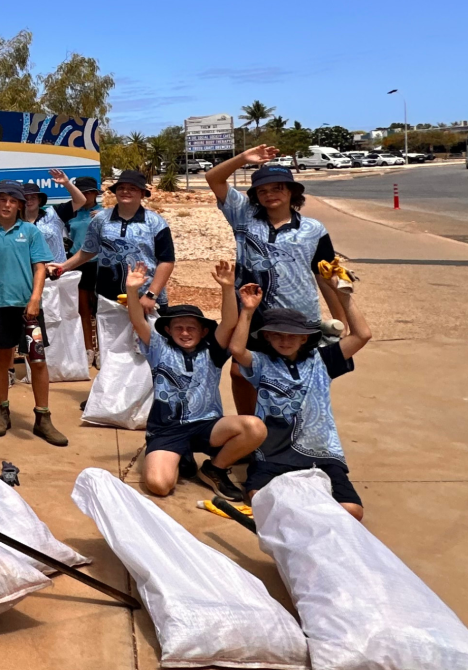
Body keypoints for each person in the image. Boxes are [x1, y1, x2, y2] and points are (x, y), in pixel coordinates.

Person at [205, 148, 342, 417]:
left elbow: (324, 275)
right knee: (240, 372)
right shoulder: (242, 215)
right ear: (255, 195)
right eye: (263, 190)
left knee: (295, 378)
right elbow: (213, 178)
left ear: (292, 192)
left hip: (298, 314)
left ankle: (289, 436)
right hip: (252, 312)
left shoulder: (314, 229)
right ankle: (250, 431)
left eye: (278, 188)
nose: (270, 194)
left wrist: (341, 319)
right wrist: (243, 159)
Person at [233, 275, 373, 520]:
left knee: (352, 511)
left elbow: (362, 335)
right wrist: (247, 310)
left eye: (291, 335)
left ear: (304, 338)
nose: (284, 340)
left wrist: (344, 295)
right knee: (257, 498)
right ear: (266, 336)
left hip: (321, 452)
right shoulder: (262, 363)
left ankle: (306, 517)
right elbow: (236, 350)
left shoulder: (322, 361)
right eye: (277, 334)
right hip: (272, 453)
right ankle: (307, 516)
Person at [124, 262, 265, 499]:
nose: (185, 333)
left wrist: (227, 288)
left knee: (255, 427)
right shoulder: (158, 348)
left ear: (204, 332)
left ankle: (214, 468)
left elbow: (229, 322)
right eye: (178, 328)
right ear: (168, 330)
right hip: (168, 429)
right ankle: (181, 456)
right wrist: (132, 291)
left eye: (192, 328)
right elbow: (138, 322)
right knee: (159, 485)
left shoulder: (213, 350)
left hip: (207, 425)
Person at [51, 169, 175, 382]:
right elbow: (88, 251)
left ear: (143, 193)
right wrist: (63, 266)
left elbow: (167, 261)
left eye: (132, 188)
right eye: (121, 188)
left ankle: (151, 400)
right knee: (111, 350)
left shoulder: (156, 222)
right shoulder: (100, 220)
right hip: (110, 297)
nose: (126, 191)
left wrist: (152, 294)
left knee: (148, 349)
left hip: (146, 298)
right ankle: (108, 399)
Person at [0, 179, 67, 445]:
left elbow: (40, 267)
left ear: (20, 206)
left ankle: (43, 418)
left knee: (37, 361)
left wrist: (35, 298)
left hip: (28, 309)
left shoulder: (31, 231)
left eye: (12, 201)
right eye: (2, 199)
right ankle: (2, 412)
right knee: (2, 361)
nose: (7, 204)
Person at [53, 175, 102, 359]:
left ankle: (101, 350)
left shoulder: (105, 212)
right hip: (77, 264)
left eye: (90, 192)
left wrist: (106, 215)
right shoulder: (70, 214)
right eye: (83, 192)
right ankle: (88, 349)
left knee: (99, 310)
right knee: (83, 310)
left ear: (96, 193)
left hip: (99, 264)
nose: (87, 196)